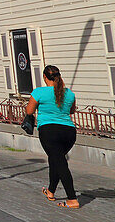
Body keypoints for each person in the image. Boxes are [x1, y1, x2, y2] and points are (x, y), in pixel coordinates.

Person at [25, 65, 78, 208]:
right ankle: (50, 191)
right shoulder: (69, 93)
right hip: (69, 132)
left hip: (49, 131)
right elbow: (71, 110)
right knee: (56, 159)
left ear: (44, 77)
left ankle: (72, 199)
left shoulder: (39, 92)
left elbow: (29, 111)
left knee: (60, 163)